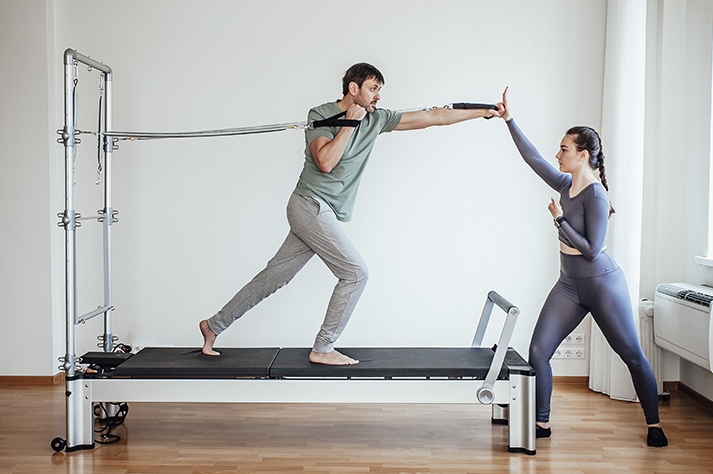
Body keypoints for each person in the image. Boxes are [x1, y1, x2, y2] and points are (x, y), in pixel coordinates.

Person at [200, 62, 500, 365]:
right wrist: (349, 123)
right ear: (353, 89)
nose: (378, 96)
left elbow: (435, 116)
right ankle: (323, 347)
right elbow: (326, 162)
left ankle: (213, 325)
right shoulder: (320, 115)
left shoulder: (377, 119)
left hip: (321, 212)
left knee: (273, 278)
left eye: (380, 90)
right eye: (373, 88)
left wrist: (485, 111)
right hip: (310, 205)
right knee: (355, 274)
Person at [495, 88, 667, 447]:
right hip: (569, 285)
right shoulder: (566, 183)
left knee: (632, 355)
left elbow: (590, 250)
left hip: (601, 284)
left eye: (564, 149)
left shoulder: (596, 195)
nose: (557, 154)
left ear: (582, 155)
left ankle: (654, 424)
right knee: (539, 352)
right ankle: (541, 423)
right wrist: (509, 120)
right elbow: (533, 159)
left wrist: (559, 221)